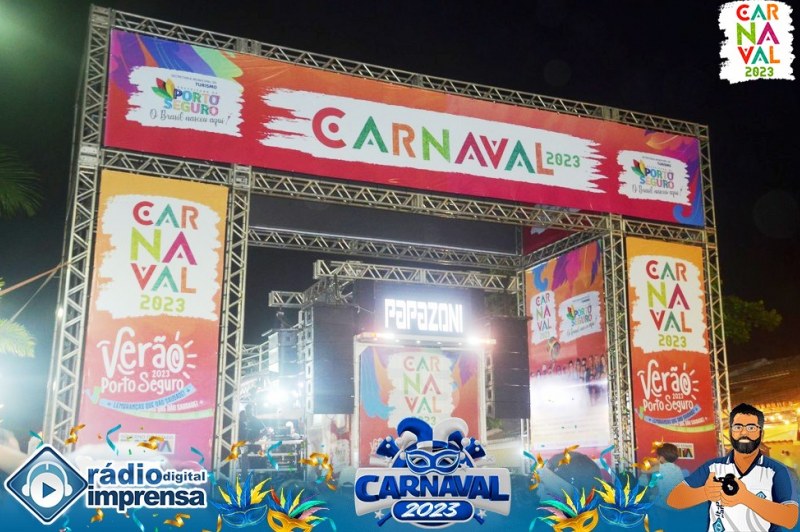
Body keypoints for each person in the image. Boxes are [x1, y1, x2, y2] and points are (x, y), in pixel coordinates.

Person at [667, 403, 799, 531]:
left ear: (761, 433)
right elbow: (674, 499)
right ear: (731, 432)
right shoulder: (713, 468)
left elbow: (790, 519)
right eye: (738, 427)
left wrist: (745, 498)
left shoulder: (776, 471)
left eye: (751, 428)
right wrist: (705, 493)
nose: (743, 432)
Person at [643, 443, 685, 508]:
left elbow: (644, 471)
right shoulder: (678, 469)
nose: (656, 458)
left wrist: (648, 463)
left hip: (663, 505)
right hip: (678, 504)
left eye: (657, 456)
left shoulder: (660, 467)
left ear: (661, 458)